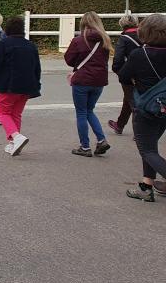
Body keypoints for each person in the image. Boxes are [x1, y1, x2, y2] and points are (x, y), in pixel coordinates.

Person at [119, 14, 166, 201]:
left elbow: (123, 76)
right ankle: (146, 187)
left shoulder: (139, 54)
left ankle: (148, 187)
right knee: (151, 148)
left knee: (147, 150)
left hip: (146, 108)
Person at [0, 16, 40, 156]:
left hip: (8, 85)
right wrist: (36, 84)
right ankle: (14, 143)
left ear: (7, 29)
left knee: (2, 112)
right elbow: (37, 68)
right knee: (16, 114)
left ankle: (16, 137)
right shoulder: (31, 45)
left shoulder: (4, 44)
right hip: (27, 86)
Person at [64, 11, 112, 157]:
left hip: (82, 80)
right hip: (99, 81)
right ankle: (101, 139)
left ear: (83, 24)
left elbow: (69, 60)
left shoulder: (78, 40)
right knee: (89, 110)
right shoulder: (105, 39)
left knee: (81, 112)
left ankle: (85, 147)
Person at [109, 13, 141, 135]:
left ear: (122, 25)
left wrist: (119, 72)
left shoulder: (124, 39)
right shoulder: (145, 35)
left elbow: (118, 59)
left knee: (133, 102)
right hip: (145, 72)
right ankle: (120, 124)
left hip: (129, 74)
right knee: (128, 99)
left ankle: (139, 131)